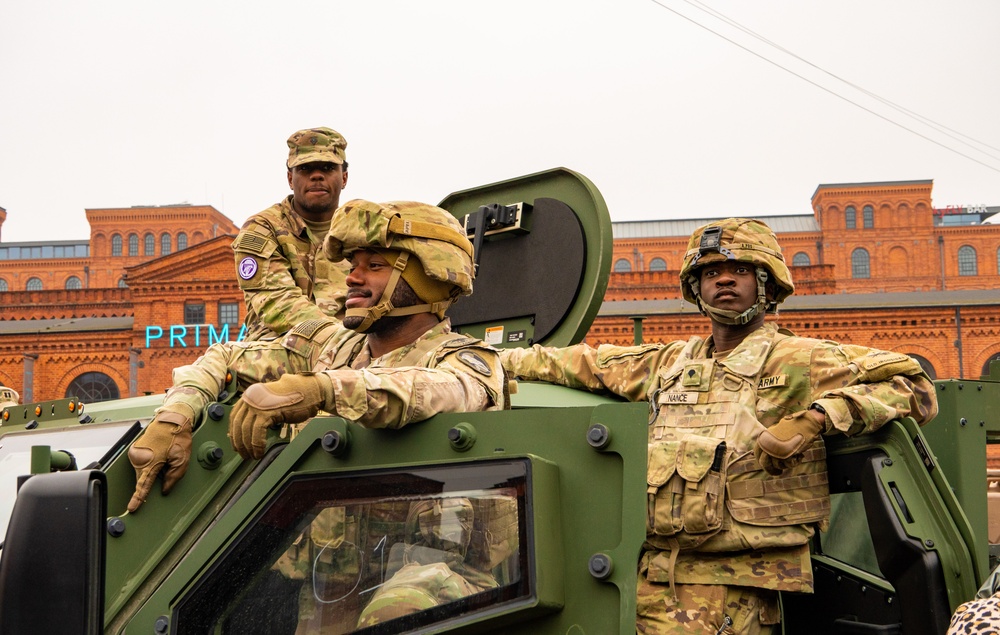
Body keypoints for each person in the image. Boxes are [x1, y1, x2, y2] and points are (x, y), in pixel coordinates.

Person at [501, 217, 938, 634]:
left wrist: (816, 419)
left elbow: (915, 386)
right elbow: (582, 364)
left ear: (766, 284)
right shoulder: (671, 363)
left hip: (735, 583)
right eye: (711, 272)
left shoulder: (801, 359)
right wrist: (481, 360)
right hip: (649, 571)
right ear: (696, 287)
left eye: (740, 270)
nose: (724, 280)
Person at [127, 199, 507, 513]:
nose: (352, 279)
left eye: (374, 267)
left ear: (429, 278)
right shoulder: (335, 347)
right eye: (353, 266)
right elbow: (225, 356)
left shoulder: (466, 363)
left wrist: (319, 390)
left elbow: (431, 391)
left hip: (418, 575)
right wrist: (174, 418)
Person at [232, 126, 351, 341]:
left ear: (344, 178)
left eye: (327, 168)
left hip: (356, 352)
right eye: (305, 169)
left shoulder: (361, 229)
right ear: (290, 178)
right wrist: (346, 341)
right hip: (282, 347)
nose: (317, 176)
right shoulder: (263, 228)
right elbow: (278, 303)